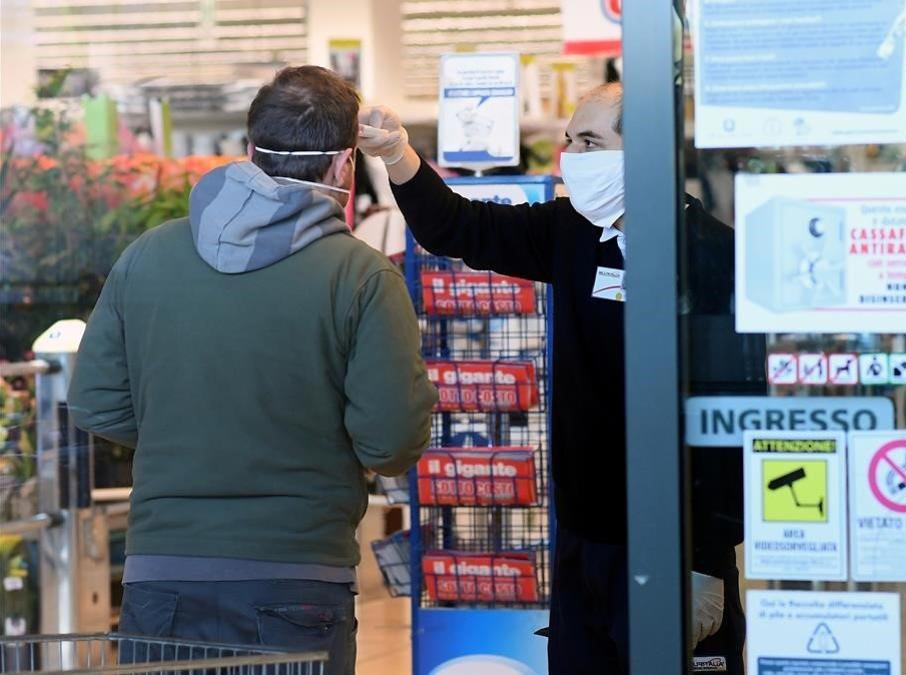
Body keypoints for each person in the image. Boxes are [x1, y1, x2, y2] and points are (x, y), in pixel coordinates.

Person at [358, 82, 750, 674]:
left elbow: (730, 417)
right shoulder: (573, 230)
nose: (572, 156)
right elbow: (460, 228)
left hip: (677, 543)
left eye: (590, 141)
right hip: (583, 537)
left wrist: (707, 557)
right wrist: (397, 156)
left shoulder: (716, 257)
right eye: (570, 141)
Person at [68, 65, 438, 672]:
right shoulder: (362, 276)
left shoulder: (149, 256)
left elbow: (96, 404)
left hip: (162, 574)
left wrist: (189, 429)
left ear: (247, 151)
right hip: (297, 576)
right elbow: (390, 441)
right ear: (345, 166)